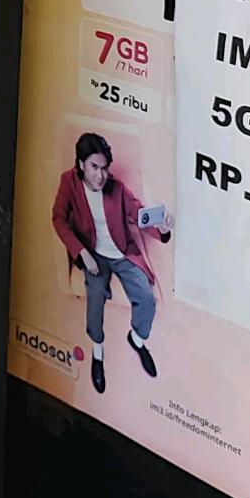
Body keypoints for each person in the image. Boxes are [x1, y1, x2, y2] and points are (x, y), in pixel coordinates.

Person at [52, 131, 161, 394]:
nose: (100, 175)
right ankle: (98, 352)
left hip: (122, 253)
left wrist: (162, 228)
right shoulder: (68, 182)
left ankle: (137, 340)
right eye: (94, 167)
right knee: (95, 294)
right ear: (81, 164)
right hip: (92, 254)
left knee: (146, 298)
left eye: (104, 168)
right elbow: (58, 219)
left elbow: (139, 213)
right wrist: (81, 253)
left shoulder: (117, 188)